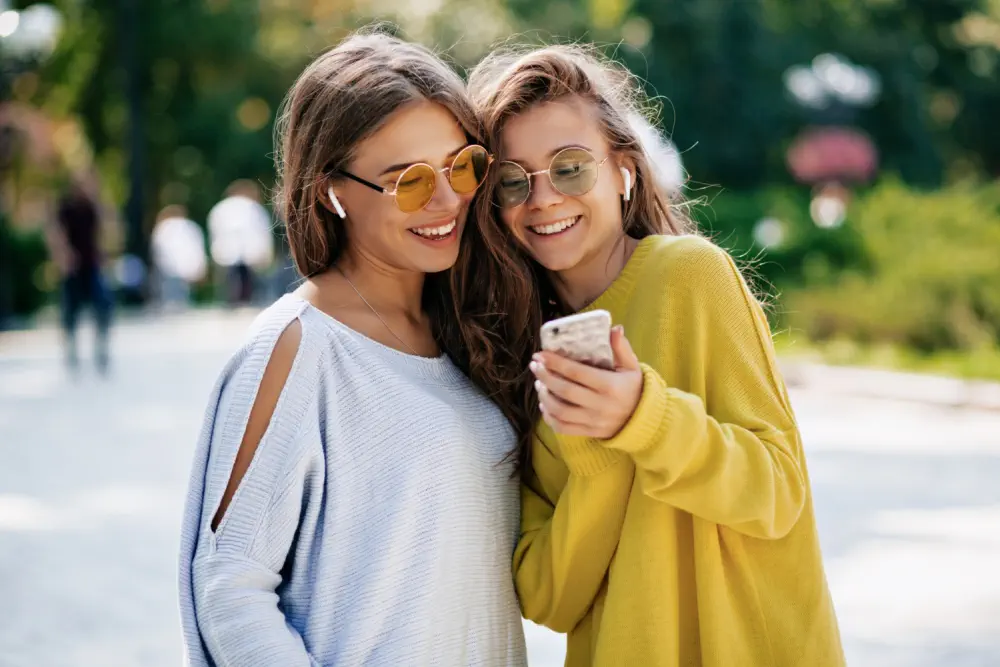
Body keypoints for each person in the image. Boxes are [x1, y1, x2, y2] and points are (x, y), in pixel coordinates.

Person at [464, 44, 845, 666]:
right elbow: (547, 598)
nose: (544, 198)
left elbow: (777, 495)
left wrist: (644, 417)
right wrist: (595, 461)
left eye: (570, 168)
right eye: (513, 180)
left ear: (625, 171)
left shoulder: (690, 276)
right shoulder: (518, 354)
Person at [177, 31, 527, 666]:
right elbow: (229, 587)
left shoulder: (467, 333)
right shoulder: (298, 347)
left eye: (462, 166)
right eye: (409, 182)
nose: (448, 200)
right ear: (328, 190)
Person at [47, 178, 113, 374]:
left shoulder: (94, 207)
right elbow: (56, 232)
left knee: (103, 305)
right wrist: (62, 256)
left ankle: (101, 348)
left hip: (92, 265)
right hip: (72, 267)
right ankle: (71, 350)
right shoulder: (65, 208)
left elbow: (107, 229)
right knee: (70, 311)